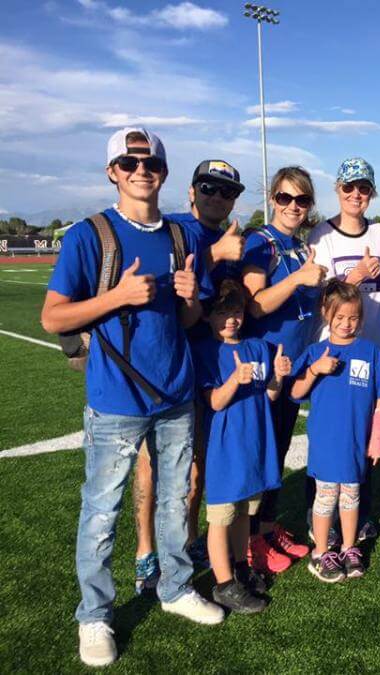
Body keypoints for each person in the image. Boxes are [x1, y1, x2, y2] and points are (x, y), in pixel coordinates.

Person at [40, 127, 223, 667]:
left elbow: (188, 319)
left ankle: (173, 587)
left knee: (174, 501)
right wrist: (116, 296)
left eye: (151, 164)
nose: (141, 170)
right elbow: (53, 316)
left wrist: (191, 301)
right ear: (112, 172)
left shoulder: (180, 237)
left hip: (174, 393)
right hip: (116, 400)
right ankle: (93, 616)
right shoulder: (88, 235)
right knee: (102, 511)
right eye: (129, 162)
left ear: (164, 173)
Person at [133, 159, 247, 590]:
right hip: (164, 366)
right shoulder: (173, 229)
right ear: (192, 190)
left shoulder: (232, 239)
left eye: (227, 191)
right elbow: (157, 287)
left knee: (197, 467)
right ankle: (146, 550)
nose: (217, 197)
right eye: (209, 187)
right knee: (154, 465)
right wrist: (216, 256)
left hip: (208, 366)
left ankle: (189, 537)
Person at [305, 158, 380, 542]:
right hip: (331, 354)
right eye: (348, 187)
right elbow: (316, 294)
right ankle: (320, 520)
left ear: (372, 192)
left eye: (363, 188)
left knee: (365, 436)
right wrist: (355, 277)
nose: (355, 195)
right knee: (329, 435)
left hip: (372, 348)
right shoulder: (321, 235)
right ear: (337, 189)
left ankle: (359, 514)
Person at [241, 166, 328, 573]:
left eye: (302, 199)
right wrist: (297, 281)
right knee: (259, 455)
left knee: (275, 451)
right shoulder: (261, 242)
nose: (293, 206)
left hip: (291, 366)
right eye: (285, 198)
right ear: (272, 199)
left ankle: (268, 527)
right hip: (265, 368)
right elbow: (253, 304)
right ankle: (249, 539)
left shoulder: (297, 246)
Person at [290, 280, 380, 582]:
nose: (346, 324)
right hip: (327, 443)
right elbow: (295, 390)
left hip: (356, 442)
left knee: (352, 496)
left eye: (353, 318)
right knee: (325, 498)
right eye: (339, 318)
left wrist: (378, 439)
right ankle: (321, 552)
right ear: (326, 314)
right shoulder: (316, 352)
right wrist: (315, 370)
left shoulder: (370, 352)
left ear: (361, 318)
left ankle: (349, 547)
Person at [193, 279, 288, 613]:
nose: (231, 319)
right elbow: (215, 402)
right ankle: (223, 583)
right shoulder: (206, 351)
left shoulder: (259, 347)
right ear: (208, 316)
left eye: (235, 311)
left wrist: (277, 375)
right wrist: (234, 379)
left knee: (245, 513)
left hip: (255, 442)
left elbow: (271, 396)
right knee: (221, 516)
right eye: (222, 312)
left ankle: (241, 566)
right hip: (225, 448)